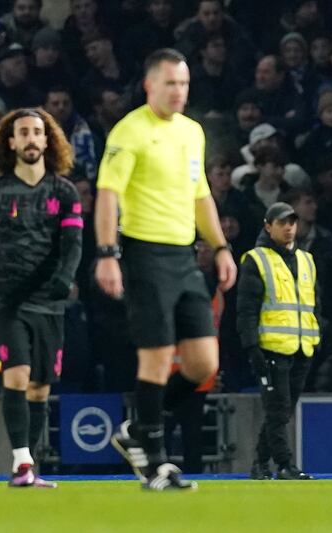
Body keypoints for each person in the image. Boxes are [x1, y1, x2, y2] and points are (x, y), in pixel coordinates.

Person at [95, 48, 237, 491]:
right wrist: (106, 252)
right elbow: (106, 194)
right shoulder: (130, 130)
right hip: (144, 253)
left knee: (202, 364)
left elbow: (201, 196)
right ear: (149, 85)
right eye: (171, 83)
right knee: (155, 359)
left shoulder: (192, 132)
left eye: (184, 84)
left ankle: (138, 430)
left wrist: (221, 247)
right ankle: (155, 462)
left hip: (183, 256)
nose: (179, 91)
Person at [0, 107, 83, 488]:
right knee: (18, 374)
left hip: (49, 301)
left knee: (40, 388)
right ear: (10, 142)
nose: (31, 138)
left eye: (37, 132)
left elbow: (74, 243)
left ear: (48, 141)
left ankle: (27, 466)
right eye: (24, 132)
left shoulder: (64, 191)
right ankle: (21, 463)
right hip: (8, 299)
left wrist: (65, 278)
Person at [237, 202, 319, 481]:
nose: (289, 227)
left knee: (281, 411)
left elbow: (313, 303)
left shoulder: (306, 259)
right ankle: (285, 465)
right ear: (267, 226)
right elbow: (246, 310)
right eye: (282, 222)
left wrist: (315, 337)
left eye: (292, 222)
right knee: (278, 409)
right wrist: (252, 349)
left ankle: (260, 464)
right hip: (271, 347)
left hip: (301, 347)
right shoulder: (256, 259)